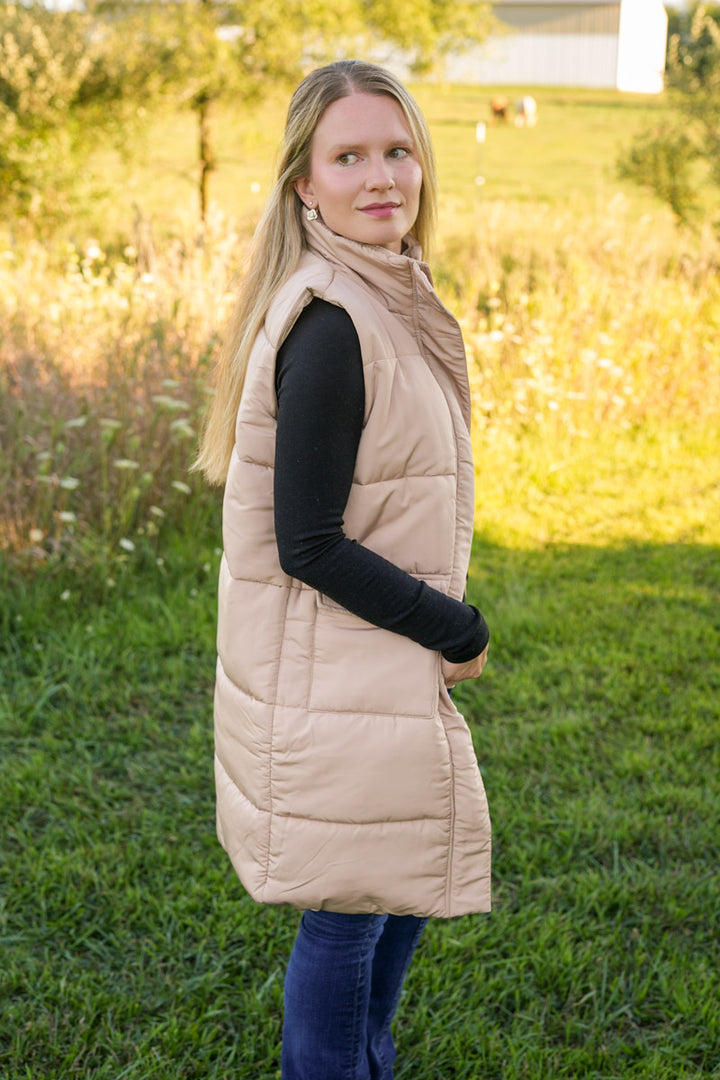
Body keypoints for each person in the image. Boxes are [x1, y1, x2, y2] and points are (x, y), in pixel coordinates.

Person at [195, 59, 492, 1080]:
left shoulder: (384, 294)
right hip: (342, 674)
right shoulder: (332, 323)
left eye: (398, 150)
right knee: (349, 914)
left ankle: (367, 1061)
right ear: (305, 185)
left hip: (375, 665)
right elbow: (308, 543)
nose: (381, 177)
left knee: (397, 885)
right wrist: (455, 626)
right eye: (349, 156)